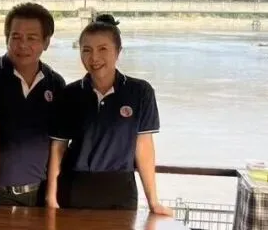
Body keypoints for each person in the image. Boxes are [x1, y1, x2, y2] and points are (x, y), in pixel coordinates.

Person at [45, 14, 172, 214]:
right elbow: (58, 147)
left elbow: (144, 147)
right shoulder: (70, 94)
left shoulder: (140, 92)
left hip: (120, 189)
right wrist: (51, 196)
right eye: (87, 50)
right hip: (74, 187)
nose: (94, 58)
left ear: (118, 51)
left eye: (103, 49)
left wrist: (153, 202)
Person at [0, 3, 66, 207]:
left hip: (41, 194)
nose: (23, 45)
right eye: (16, 37)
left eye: (32, 38)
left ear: (46, 42)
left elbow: (58, 144)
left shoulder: (56, 83)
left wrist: (52, 197)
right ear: (6, 38)